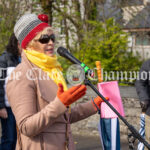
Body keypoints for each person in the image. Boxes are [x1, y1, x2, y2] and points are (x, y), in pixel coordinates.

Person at [6, 14, 105, 150]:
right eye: (44, 39)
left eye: (52, 38)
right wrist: (61, 103)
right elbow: (26, 127)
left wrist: (95, 104)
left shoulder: (52, 71)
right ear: (29, 44)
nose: (51, 43)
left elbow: (63, 117)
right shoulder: (21, 74)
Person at [0, 33, 22, 150]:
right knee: (9, 139)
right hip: (8, 108)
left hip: (21, 107)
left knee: (20, 139)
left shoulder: (24, 59)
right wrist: (1, 107)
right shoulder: (3, 60)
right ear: (17, 43)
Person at [135, 60, 150, 145]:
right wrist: (144, 98)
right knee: (148, 142)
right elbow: (140, 83)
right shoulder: (148, 64)